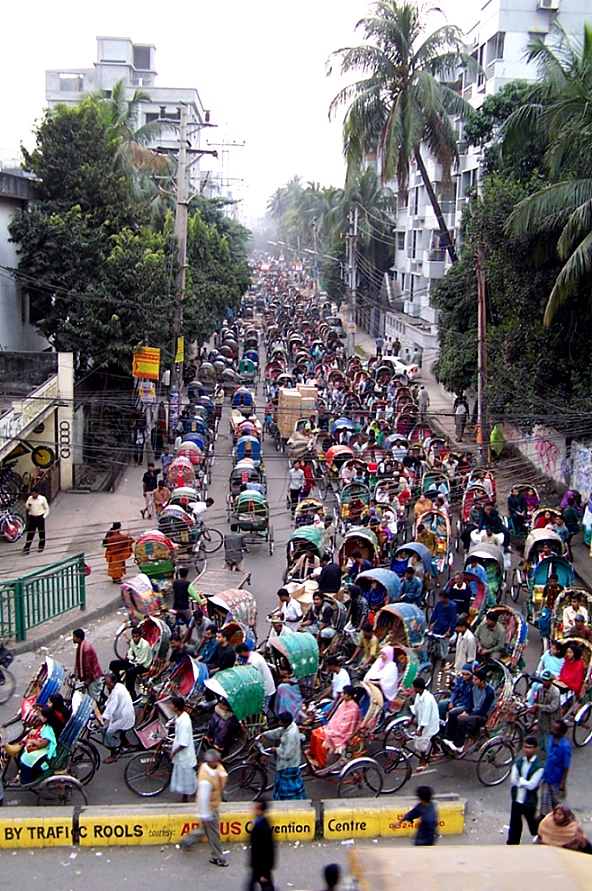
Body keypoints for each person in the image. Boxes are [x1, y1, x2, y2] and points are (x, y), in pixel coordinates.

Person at [181, 749, 229, 866]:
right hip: (209, 809)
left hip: (213, 806)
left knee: (205, 830)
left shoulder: (210, 767)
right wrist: (206, 816)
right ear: (211, 761)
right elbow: (202, 799)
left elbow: (221, 771)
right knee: (214, 834)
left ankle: (187, 841)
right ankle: (217, 856)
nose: (219, 762)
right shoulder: (205, 781)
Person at [308, 685, 362, 769]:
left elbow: (346, 726)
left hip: (341, 733)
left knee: (320, 738)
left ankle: (321, 762)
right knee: (315, 732)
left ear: (349, 696)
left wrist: (332, 730)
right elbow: (336, 718)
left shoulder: (353, 709)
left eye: (344, 693)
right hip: (333, 727)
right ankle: (313, 755)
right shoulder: (344, 703)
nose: (342, 695)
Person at [444, 669, 495, 752]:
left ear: (482, 681)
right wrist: (466, 711)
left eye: (476, 679)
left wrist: (468, 715)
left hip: (482, 716)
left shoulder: (489, 692)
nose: (473, 681)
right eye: (473, 679)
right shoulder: (474, 687)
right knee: (452, 713)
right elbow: (471, 702)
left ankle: (458, 745)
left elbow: (483, 710)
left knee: (463, 720)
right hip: (473, 710)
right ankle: (449, 737)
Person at [263, 712, 306, 800]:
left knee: (288, 787)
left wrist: (275, 749)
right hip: (290, 762)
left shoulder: (290, 735)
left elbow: (287, 754)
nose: (279, 723)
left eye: (281, 721)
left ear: (285, 723)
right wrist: (264, 734)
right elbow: (278, 732)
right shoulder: (291, 726)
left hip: (289, 765)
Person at [98, 672, 135, 764]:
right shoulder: (119, 686)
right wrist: (104, 705)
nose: (107, 686)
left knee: (109, 733)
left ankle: (113, 755)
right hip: (126, 715)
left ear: (113, 683)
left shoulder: (117, 691)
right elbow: (109, 701)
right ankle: (125, 742)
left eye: (108, 684)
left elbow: (111, 707)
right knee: (120, 729)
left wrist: (102, 718)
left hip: (123, 717)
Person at [538, 720, 571, 817]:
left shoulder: (565, 747)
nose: (551, 730)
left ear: (560, 732)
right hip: (547, 778)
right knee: (545, 804)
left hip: (556, 781)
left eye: (554, 729)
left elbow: (566, 766)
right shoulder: (552, 739)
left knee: (559, 805)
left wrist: (562, 782)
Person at [18, 707, 57, 784]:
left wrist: (32, 741)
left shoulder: (49, 730)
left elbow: (42, 744)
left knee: (27, 758)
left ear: (45, 718)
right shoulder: (48, 726)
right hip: (44, 747)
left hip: (46, 751)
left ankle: (26, 780)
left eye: (42, 716)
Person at [169, 694, 197, 802]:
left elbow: (183, 743)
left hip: (184, 754)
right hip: (182, 754)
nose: (170, 706)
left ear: (176, 707)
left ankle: (185, 797)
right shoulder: (180, 716)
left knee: (186, 776)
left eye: (171, 704)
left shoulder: (184, 722)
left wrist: (173, 753)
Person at [109, 626, 153, 694]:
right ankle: (118, 684)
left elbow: (141, 661)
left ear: (140, 636)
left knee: (129, 672)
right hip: (134, 661)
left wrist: (132, 659)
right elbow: (130, 653)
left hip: (143, 665)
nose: (135, 639)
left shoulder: (145, 645)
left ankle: (130, 692)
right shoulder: (132, 642)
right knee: (113, 664)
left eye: (136, 636)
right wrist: (132, 658)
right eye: (133, 636)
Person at [409, 678, 440, 769]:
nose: (413, 689)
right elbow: (416, 708)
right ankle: (435, 747)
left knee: (422, 738)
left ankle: (423, 759)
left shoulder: (428, 699)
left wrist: (420, 730)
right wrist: (411, 720)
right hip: (423, 720)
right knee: (429, 736)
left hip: (430, 721)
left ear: (418, 688)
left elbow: (426, 716)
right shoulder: (419, 695)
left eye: (414, 687)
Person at [236, 643, 276, 712]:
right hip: (262, 686)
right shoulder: (253, 655)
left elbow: (253, 677)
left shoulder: (254, 661)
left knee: (263, 709)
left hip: (265, 688)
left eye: (239, 654)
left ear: (242, 651)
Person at [530, 670, 562, 751]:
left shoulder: (555, 692)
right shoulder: (540, 689)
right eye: (543, 680)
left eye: (547, 680)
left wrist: (539, 706)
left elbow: (553, 707)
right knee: (542, 732)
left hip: (552, 719)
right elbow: (537, 700)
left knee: (549, 736)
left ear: (551, 681)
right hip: (542, 718)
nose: (545, 682)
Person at [248, 799, 276, 891]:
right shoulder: (259, 824)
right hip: (258, 867)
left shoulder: (263, 828)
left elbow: (268, 851)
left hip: (261, 868)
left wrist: (264, 873)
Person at [72, 628, 103, 701]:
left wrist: (87, 681)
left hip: (92, 677)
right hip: (86, 677)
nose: (73, 639)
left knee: (93, 699)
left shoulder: (86, 649)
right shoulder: (80, 646)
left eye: (74, 637)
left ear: (79, 638)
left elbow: (88, 667)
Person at [23, 487, 50, 554]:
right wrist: (28, 506)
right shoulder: (30, 498)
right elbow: (27, 506)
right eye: (32, 494)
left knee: (41, 532)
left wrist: (44, 516)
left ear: (37, 493)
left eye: (35, 494)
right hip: (32, 517)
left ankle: (41, 546)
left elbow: (46, 508)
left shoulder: (42, 499)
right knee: (30, 533)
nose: (34, 496)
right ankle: (27, 547)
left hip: (40, 517)